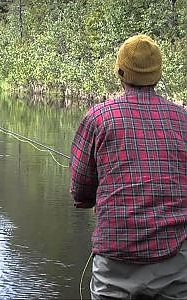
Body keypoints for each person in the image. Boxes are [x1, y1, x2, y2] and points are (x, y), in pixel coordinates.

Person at [69, 34, 187, 300]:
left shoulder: (97, 117)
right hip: (175, 263)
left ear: (120, 72)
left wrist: (92, 199)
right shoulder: (183, 119)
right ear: (156, 74)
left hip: (114, 266)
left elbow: (80, 190)